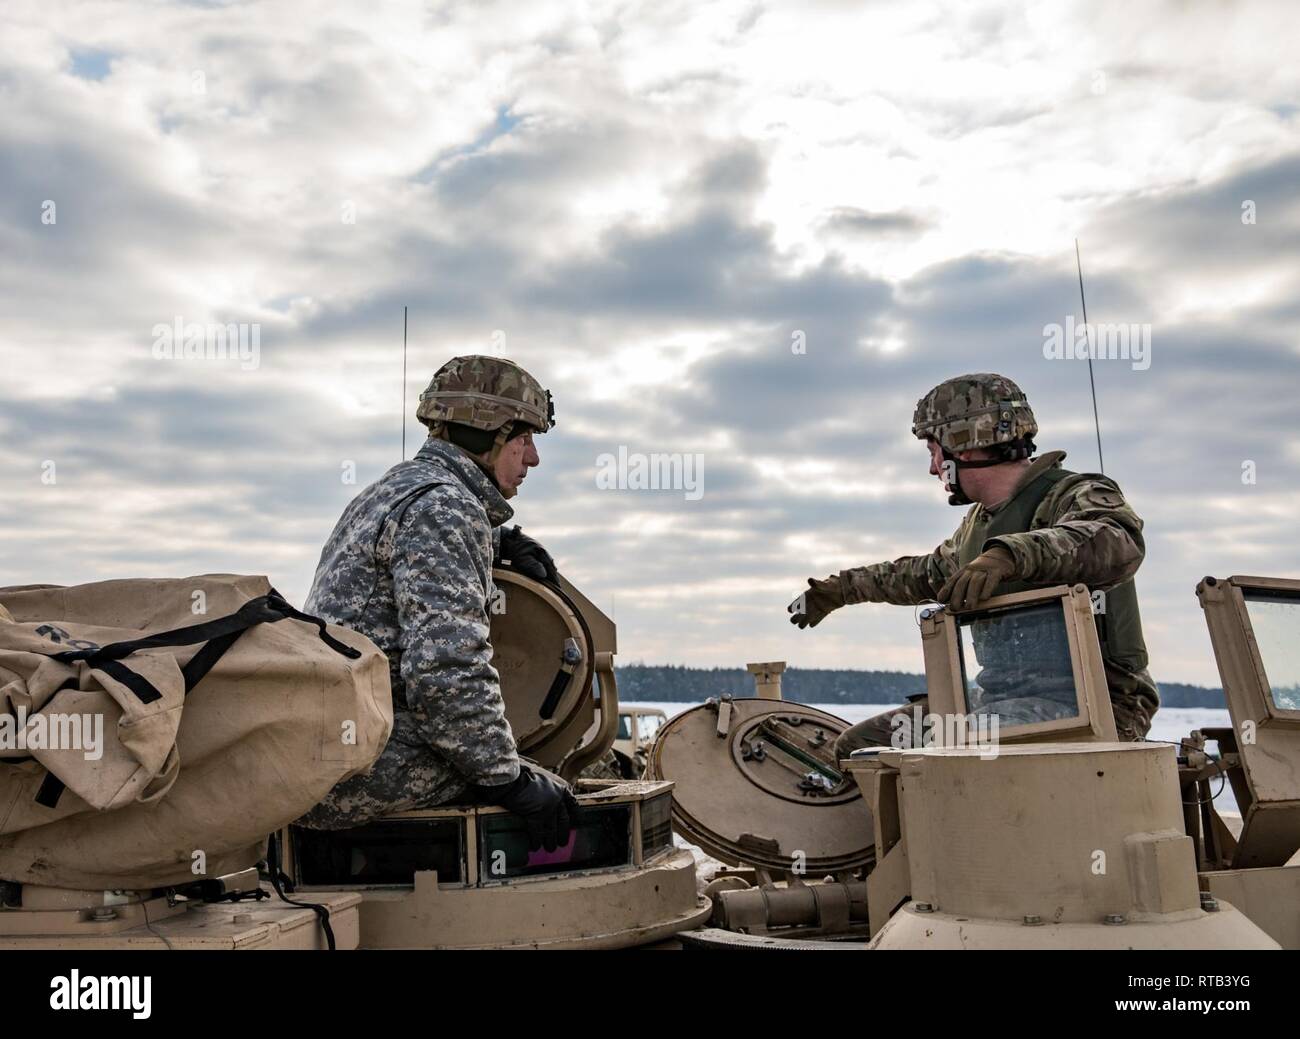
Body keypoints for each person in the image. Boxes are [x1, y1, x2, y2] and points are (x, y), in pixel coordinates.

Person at [788, 372, 1159, 755]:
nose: (934, 469)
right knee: (860, 747)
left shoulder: (1076, 494)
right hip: (998, 702)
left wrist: (1010, 556)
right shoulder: (978, 527)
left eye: (934, 452)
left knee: (947, 754)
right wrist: (842, 589)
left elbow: (1118, 540)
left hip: (1096, 703)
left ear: (963, 446)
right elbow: (925, 573)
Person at [296, 355, 578, 851]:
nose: (532, 458)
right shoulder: (445, 509)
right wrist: (507, 780)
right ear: (486, 433)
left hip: (329, 745)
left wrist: (497, 539)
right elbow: (445, 673)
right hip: (358, 769)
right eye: (524, 439)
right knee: (554, 788)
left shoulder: (389, 490)